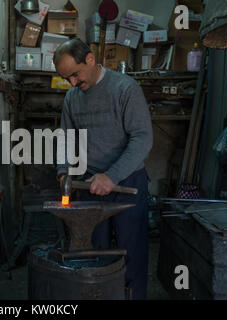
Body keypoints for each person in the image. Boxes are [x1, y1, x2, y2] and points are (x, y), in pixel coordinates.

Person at [54, 38, 153, 300]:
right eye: (67, 79)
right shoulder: (72, 97)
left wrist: (112, 175)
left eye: (75, 75)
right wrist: (63, 171)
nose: (73, 83)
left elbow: (142, 138)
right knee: (92, 255)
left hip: (127, 183)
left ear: (90, 59)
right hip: (89, 185)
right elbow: (65, 138)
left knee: (130, 254)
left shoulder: (125, 89)